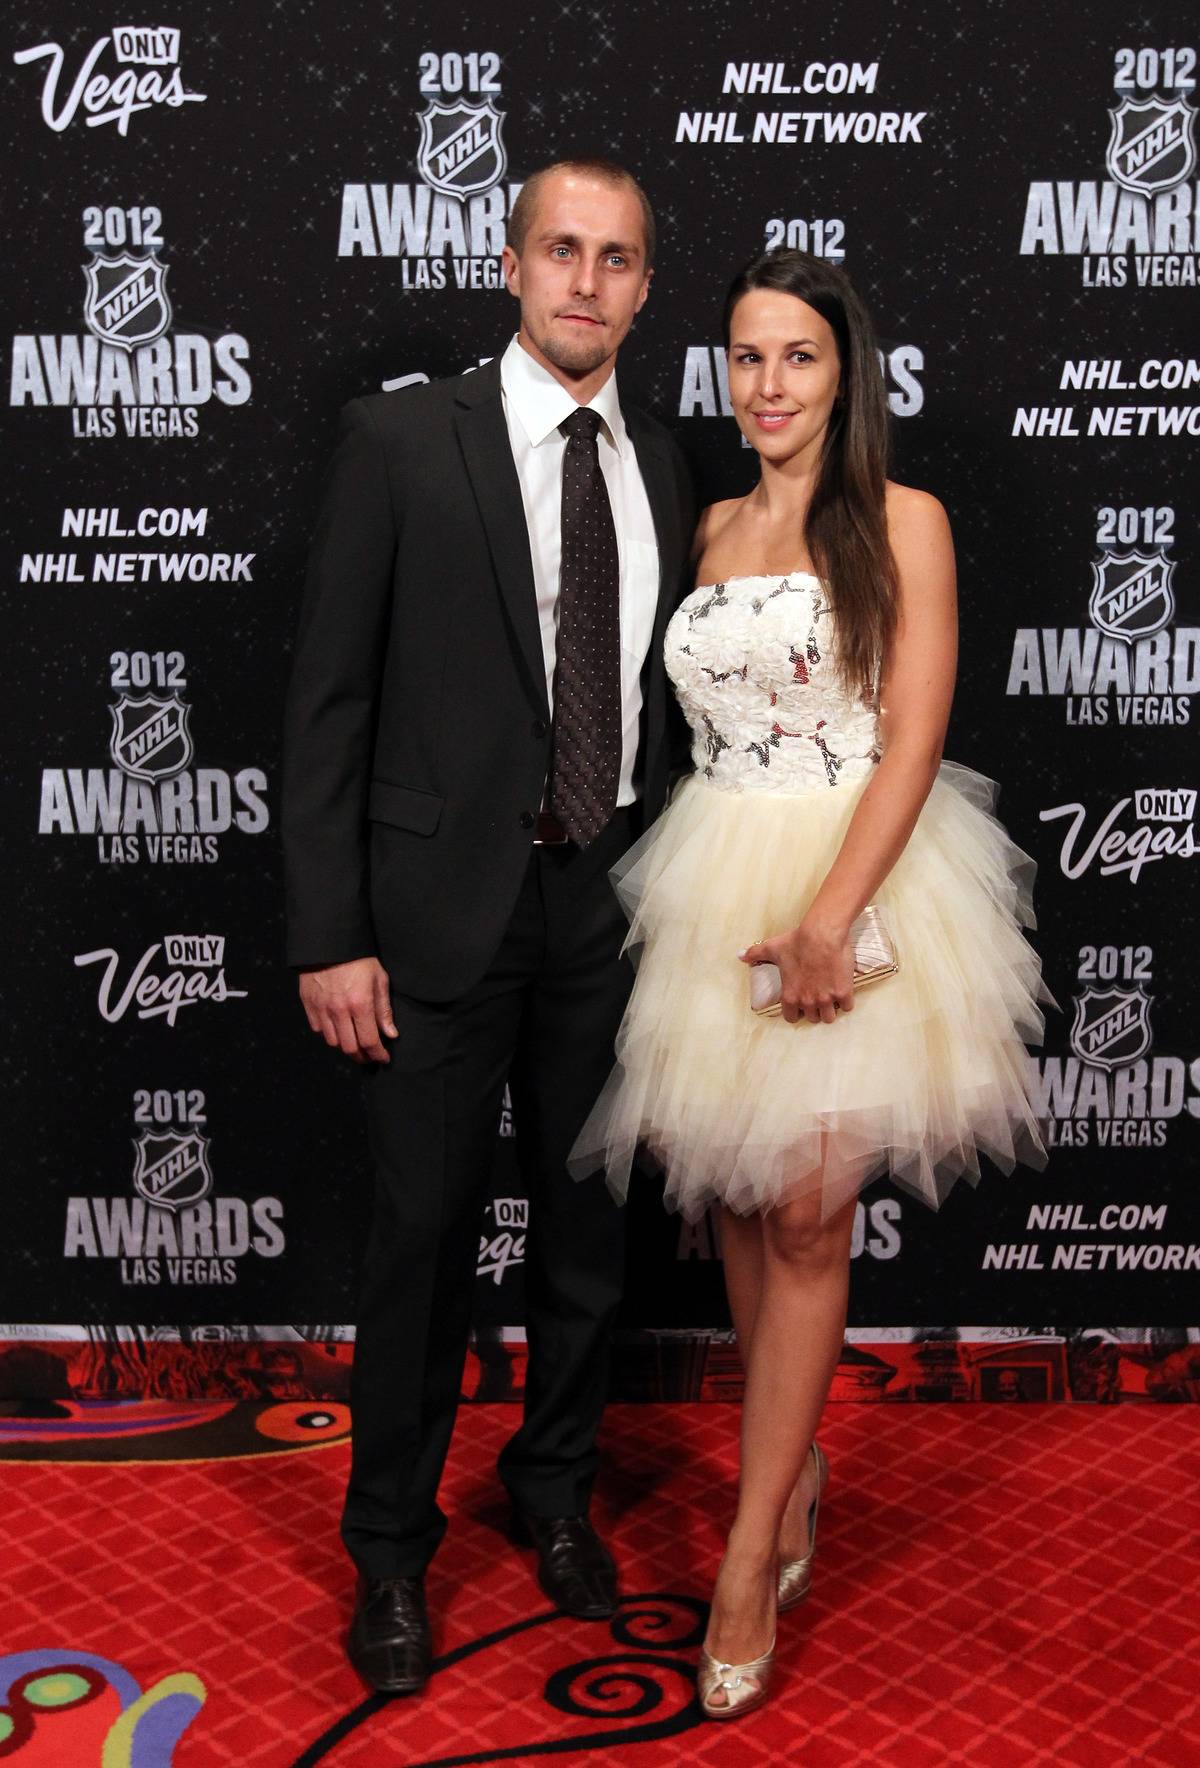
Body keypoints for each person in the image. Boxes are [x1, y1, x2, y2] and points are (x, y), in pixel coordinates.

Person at [571, 247, 1047, 1718]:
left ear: (847, 378)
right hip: (713, 871)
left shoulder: (905, 521)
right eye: (745, 358)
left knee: (806, 1206)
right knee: (731, 1186)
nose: (766, 387)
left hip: (864, 869)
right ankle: (797, 1472)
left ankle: (748, 1542)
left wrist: (838, 914)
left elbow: (912, 736)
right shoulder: (706, 523)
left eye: (798, 359)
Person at [281, 159, 695, 1695]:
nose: (588, 282)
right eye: (563, 251)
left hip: (607, 907)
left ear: (647, 288)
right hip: (430, 922)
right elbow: (326, 706)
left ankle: (555, 1494)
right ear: (514, 266)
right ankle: (390, 1551)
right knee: (421, 1249)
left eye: (619, 259)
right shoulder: (400, 440)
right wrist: (331, 932)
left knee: (590, 1244)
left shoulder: (664, 461)